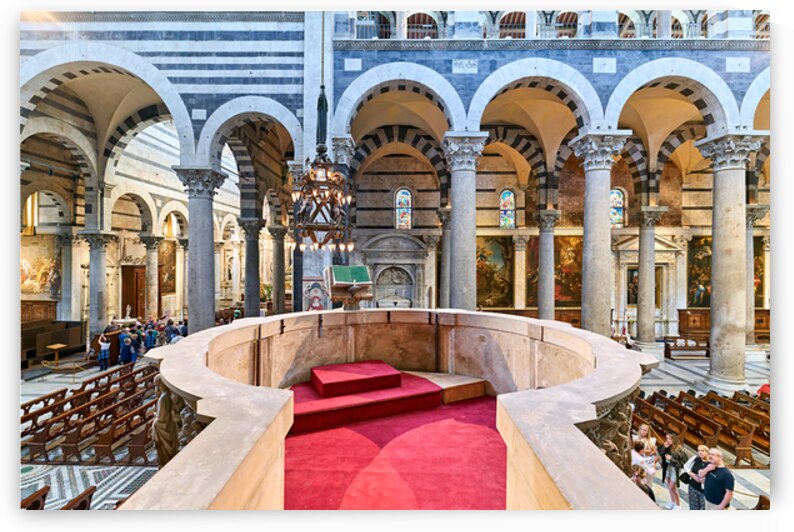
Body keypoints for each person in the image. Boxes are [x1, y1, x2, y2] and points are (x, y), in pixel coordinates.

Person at [661, 433, 688, 510]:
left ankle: (678, 505)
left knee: (672, 488)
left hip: (675, 470)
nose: (668, 441)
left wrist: (671, 459)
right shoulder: (667, 447)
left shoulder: (679, 449)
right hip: (667, 468)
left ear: (674, 439)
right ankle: (672, 502)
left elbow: (682, 464)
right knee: (669, 487)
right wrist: (664, 448)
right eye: (667, 439)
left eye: (669, 439)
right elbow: (661, 455)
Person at [684, 445, 710, 510]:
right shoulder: (695, 458)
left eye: (702, 450)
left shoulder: (711, 463)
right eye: (698, 450)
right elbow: (685, 466)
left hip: (704, 491)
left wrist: (705, 480)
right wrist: (692, 474)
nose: (700, 452)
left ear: (707, 452)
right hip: (692, 487)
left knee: (703, 508)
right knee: (693, 507)